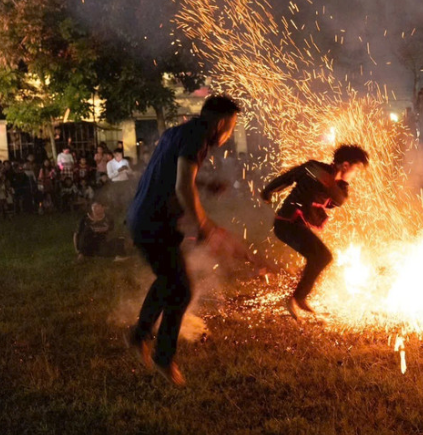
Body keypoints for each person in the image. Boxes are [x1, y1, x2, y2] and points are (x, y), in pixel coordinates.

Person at [125, 95, 241, 387]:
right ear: (220, 122)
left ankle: (139, 335)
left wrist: (204, 183)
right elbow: (181, 186)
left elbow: (172, 173)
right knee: (182, 290)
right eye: (231, 127)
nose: (229, 135)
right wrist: (203, 225)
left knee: (168, 279)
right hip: (153, 221)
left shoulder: (178, 132)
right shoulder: (199, 137)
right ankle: (163, 355)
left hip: (144, 217)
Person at [262, 144, 369, 320]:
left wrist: (330, 181)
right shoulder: (314, 168)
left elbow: (339, 200)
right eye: (355, 169)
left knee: (321, 257)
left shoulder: (340, 186)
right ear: (345, 165)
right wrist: (268, 190)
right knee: (322, 256)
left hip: (297, 225)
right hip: (286, 224)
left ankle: (299, 297)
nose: (355, 174)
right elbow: (289, 177)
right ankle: (297, 298)